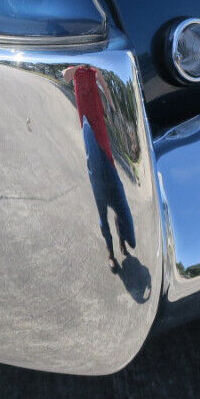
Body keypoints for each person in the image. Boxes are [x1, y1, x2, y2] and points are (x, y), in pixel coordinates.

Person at [69, 65, 136, 272]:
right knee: (102, 213)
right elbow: (65, 75)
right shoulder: (77, 74)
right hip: (95, 168)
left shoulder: (94, 74)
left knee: (117, 205)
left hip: (106, 158)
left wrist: (109, 100)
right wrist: (78, 65)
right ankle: (110, 253)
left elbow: (105, 85)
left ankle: (123, 241)